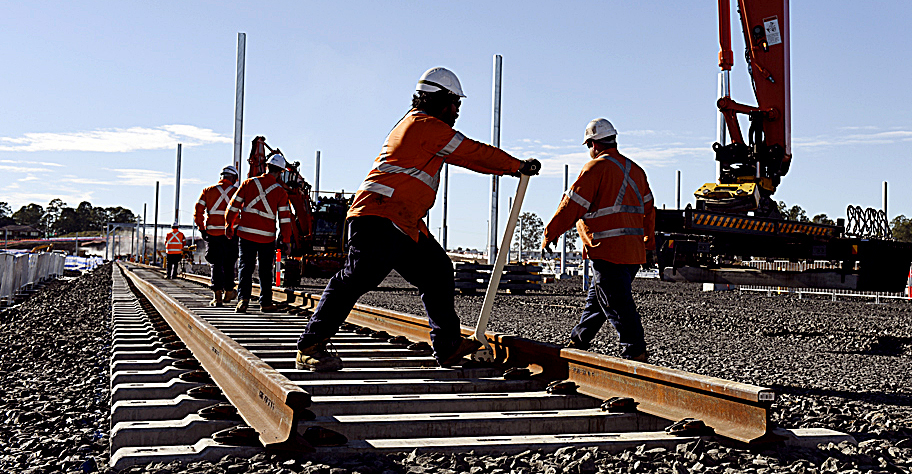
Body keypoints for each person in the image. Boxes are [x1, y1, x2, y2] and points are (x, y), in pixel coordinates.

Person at [294, 67, 540, 372]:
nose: (457, 112)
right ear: (440, 100)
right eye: (455, 105)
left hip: (403, 222)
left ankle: (448, 347)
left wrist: (511, 168)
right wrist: (516, 165)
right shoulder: (424, 126)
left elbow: (464, 157)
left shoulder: (425, 129)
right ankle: (310, 345)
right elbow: (472, 152)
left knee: (437, 270)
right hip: (378, 216)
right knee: (356, 278)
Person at [542, 118, 655, 362]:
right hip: (632, 254)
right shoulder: (636, 170)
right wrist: (649, 243)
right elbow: (649, 210)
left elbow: (572, 205)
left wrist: (551, 232)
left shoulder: (595, 168)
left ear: (593, 144)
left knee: (616, 303)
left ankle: (635, 351)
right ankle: (578, 340)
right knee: (598, 301)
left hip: (607, 249)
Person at [226, 153, 294, 313]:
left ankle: (243, 300)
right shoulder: (280, 192)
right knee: (265, 270)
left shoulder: (249, 183)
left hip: (246, 235)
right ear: (281, 172)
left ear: (266, 167)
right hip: (266, 238)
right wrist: (286, 240)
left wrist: (229, 225)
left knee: (245, 267)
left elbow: (233, 207)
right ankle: (265, 302)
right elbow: (285, 219)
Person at [195, 165, 240, 307]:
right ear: (233, 178)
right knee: (229, 263)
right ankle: (228, 292)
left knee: (216, 264)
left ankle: (217, 297)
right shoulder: (237, 192)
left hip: (213, 234)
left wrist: (202, 229)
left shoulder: (207, 191)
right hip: (231, 234)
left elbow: (198, 212)